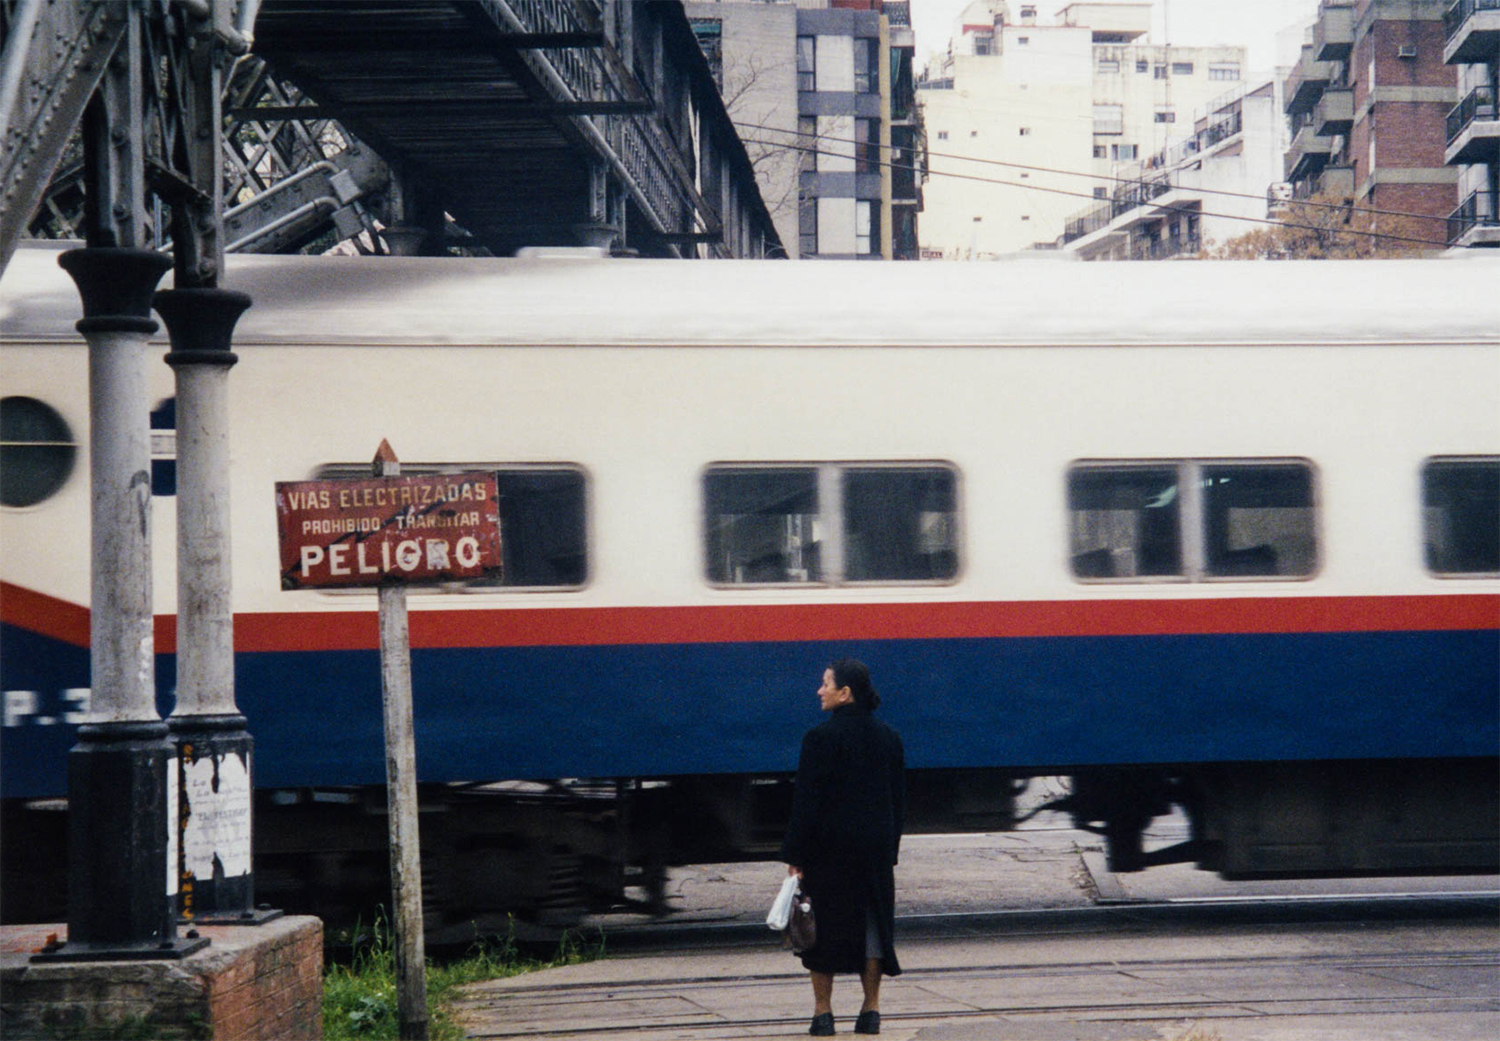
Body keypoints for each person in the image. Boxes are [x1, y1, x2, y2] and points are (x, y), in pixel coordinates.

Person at [781, 659, 906, 1036]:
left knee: (821, 931)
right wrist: (890, 850)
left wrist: (795, 855)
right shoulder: (890, 738)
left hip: (828, 852)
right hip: (874, 852)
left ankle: (823, 1014)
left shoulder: (818, 739)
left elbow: (807, 803)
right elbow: (897, 802)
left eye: (825, 684)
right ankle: (871, 1012)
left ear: (845, 692)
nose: (820, 691)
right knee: (872, 929)